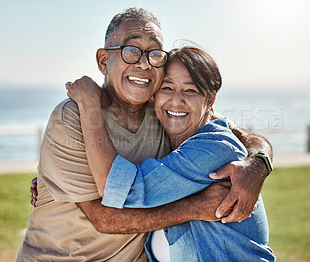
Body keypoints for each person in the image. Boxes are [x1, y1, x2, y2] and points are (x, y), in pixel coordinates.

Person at [20, 7, 273, 261]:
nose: (143, 63)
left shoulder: (169, 117)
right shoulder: (73, 117)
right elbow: (104, 218)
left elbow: (236, 138)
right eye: (131, 51)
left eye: (154, 54)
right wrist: (195, 207)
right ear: (103, 61)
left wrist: (257, 164)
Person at [67, 46, 275, 261]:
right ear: (153, 96)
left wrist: (88, 102)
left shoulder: (214, 149)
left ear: (210, 100)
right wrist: (50, 182)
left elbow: (120, 189)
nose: (176, 101)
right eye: (166, 88)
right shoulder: (167, 146)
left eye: (190, 91)